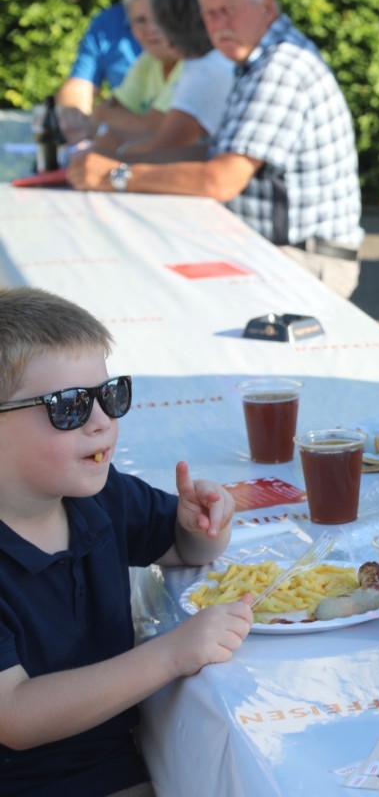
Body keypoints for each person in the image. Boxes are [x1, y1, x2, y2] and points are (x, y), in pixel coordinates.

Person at [0, 286, 253, 795]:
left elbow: (184, 550)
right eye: (69, 406)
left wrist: (204, 524)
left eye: (109, 395)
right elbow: (15, 715)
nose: (102, 422)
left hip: (119, 762)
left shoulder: (100, 495)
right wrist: (171, 654)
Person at [65, 0, 364, 300]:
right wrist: (111, 162)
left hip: (302, 260)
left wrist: (116, 175)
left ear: (267, 7)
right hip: (274, 250)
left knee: (149, 288)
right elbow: (212, 155)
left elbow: (220, 180)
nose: (219, 24)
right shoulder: (257, 60)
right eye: (209, 14)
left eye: (229, 9)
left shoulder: (280, 67)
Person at [112, 0, 235, 159]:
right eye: (141, 21)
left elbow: (161, 151)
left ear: (169, 38)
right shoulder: (213, 62)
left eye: (157, 22)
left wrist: (113, 152)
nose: (151, 29)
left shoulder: (206, 69)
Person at [58, 0, 183, 148]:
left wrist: (99, 121)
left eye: (160, 17)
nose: (151, 27)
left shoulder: (193, 62)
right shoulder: (149, 59)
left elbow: (157, 127)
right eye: (141, 21)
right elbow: (105, 103)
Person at [55, 3, 143, 119]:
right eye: (141, 21)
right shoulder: (107, 21)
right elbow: (80, 85)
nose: (150, 29)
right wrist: (76, 122)